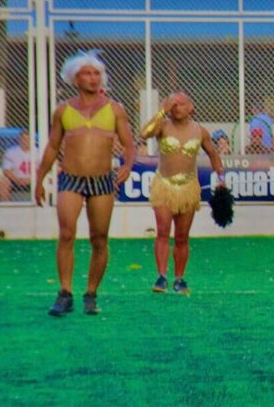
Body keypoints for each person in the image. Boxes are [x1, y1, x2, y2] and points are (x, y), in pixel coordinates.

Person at [35, 51, 135, 316]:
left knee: (99, 238)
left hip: (102, 181)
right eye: (87, 74)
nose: (93, 78)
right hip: (71, 179)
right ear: (75, 79)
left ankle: (91, 293)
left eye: (96, 73)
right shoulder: (63, 110)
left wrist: (127, 165)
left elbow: (129, 144)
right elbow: (53, 146)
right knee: (67, 233)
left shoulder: (115, 109)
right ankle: (65, 293)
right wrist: (40, 178)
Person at [140, 92, 226, 295]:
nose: (176, 107)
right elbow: (144, 134)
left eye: (180, 103)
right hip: (164, 186)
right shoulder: (162, 126)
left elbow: (213, 154)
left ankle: (179, 278)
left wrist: (221, 178)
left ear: (190, 107)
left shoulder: (200, 131)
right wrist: (162, 111)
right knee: (162, 231)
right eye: (173, 104)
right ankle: (161, 277)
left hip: (188, 187)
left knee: (182, 236)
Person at [0, 130, 33, 201]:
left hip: (33, 180)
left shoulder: (38, 152)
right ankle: (6, 205)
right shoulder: (11, 152)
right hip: (15, 180)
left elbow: (41, 169)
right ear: (19, 139)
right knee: (3, 182)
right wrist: (17, 180)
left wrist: (30, 179)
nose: (26, 141)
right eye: (24, 139)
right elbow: (6, 170)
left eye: (28, 139)